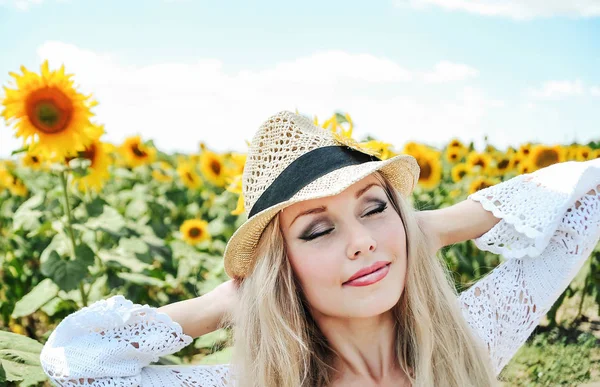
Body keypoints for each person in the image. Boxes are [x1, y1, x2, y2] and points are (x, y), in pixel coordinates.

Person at [39, 111, 600, 387]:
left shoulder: (463, 343)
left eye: (374, 207)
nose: (362, 243)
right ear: (282, 269)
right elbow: (75, 363)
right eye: (317, 230)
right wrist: (230, 302)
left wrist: (433, 228)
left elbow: (589, 192)